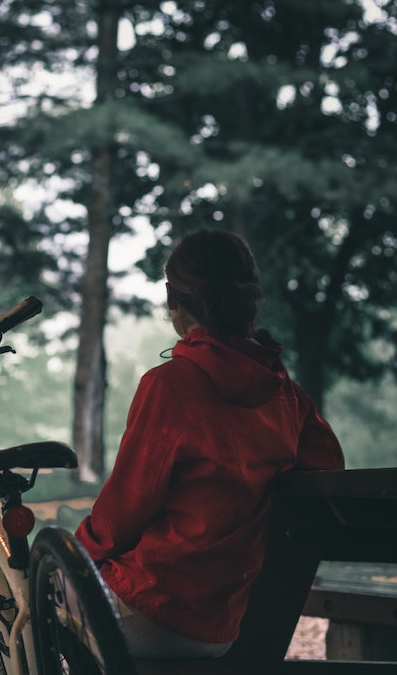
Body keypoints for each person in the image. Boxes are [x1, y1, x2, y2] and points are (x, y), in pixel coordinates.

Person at [75, 228, 344, 659]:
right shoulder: (281, 392)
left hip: (147, 607)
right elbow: (327, 464)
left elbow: (120, 516)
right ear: (248, 301)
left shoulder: (170, 385)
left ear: (172, 299)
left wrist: (73, 556)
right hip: (220, 627)